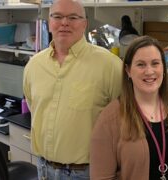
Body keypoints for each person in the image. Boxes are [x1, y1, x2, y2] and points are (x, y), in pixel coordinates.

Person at [23, 0, 123, 179]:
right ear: (49, 21)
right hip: (44, 169)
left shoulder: (110, 66)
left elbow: (125, 121)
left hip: (87, 172)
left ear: (84, 24)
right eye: (58, 16)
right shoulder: (34, 65)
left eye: (73, 17)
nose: (64, 23)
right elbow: (34, 107)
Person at [90, 36, 168, 180]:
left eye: (155, 63)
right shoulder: (110, 119)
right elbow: (102, 177)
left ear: (163, 68)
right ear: (128, 70)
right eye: (141, 64)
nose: (149, 71)